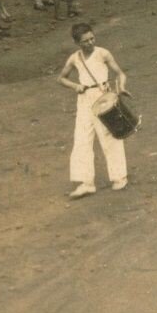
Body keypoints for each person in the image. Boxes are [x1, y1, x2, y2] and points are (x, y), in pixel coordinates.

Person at [56, 23, 128, 199]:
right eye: (85, 41)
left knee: (109, 135)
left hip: (102, 96)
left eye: (92, 38)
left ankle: (119, 176)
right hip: (84, 98)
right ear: (77, 42)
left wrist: (121, 87)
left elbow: (120, 73)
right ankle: (85, 182)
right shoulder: (74, 58)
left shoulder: (103, 53)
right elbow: (61, 78)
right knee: (81, 138)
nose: (90, 43)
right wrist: (76, 86)